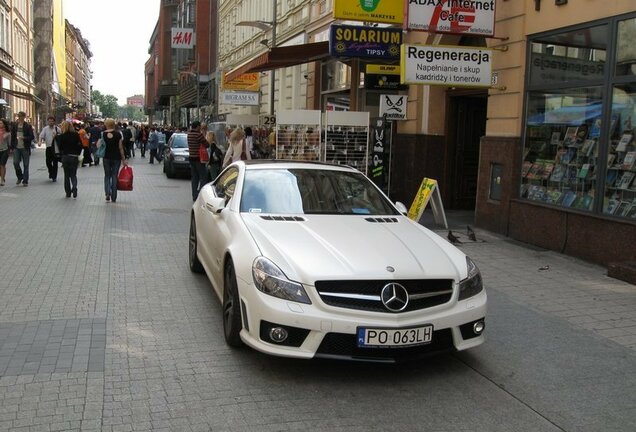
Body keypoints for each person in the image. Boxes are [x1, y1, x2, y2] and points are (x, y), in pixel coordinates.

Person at [102, 118, 128, 203]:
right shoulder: (118, 134)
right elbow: (121, 148)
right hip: (116, 157)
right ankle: (114, 196)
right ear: (113, 124)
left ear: (106, 124)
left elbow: (99, 146)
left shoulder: (103, 134)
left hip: (106, 157)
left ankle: (107, 193)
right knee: (114, 175)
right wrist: (124, 159)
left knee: (107, 175)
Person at [57, 120, 82, 198]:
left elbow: (59, 147)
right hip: (74, 157)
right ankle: (74, 187)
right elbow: (80, 145)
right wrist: (78, 153)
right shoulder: (76, 135)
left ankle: (68, 193)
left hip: (65, 157)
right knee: (73, 174)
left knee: (66, 175)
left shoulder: (62, 136)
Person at [10, 111, 35, 186]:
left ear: (24, 117)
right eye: (19, 116)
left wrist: (23, 138)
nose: (20, 117)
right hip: (16, 147)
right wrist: (12, 146)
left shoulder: (28, 126)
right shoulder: (15, 125)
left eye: (21, 116)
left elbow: (32, 137)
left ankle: (25, 180)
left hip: (25, 147)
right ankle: (20, 176)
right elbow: (13, 136)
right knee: (15, 163)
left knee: (26, 165)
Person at [187, 120, 209, 201]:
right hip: (199, 159)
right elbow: (207, 144)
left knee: (194, 178)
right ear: (197, 126)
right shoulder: (198, 135)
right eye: (199, 126)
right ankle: (200, 194)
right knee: (203, 177)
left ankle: (194, 195)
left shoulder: (189, 134)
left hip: (191, 158)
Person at [39, 116, 61, 181]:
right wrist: (39, 142)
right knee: (48, 162)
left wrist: (56, 136)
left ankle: (54, 176)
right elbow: (41, 136)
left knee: (55, 162)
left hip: (55, 148)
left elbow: (62, 136)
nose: (51, 122)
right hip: (48, 147)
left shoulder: (57, 129)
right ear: (48, 122)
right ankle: (51, 172)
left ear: (54, 122)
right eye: (49, 121)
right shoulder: (45, 129)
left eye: (52, 121)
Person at [0, 119, 10, 186]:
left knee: (2, 165)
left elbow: (9, 143)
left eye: (1, 123)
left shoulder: (8, 133)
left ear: (4, 124)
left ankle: (2, 180)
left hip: (5, 150)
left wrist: (10, 151)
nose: (0, 124)